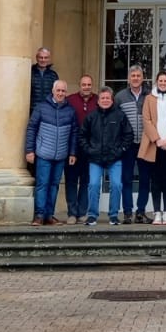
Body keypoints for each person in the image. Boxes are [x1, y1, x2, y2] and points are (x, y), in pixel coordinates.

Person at [24, 79, 77, 226]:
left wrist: (72, 153)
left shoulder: (70, 111)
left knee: (54, 185)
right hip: (43, 154)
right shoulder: (41, 107)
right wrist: (29, 150)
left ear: (66, 93)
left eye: (63, 91)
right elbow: (31, 128)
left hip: (61, 155)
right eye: (58, 90)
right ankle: (39, 215)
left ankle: (49, 215)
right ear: (53, 91)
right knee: (42, 184)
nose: (60, 93)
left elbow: (74, 133)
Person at [80, 87, 132, 226]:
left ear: (112, 99)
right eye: (102, 98)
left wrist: (120, 150)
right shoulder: (91, 117)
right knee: (93, 185)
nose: (105, 100)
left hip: (115, 158)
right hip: (95, 158)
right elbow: (82, 136)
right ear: (98, 100)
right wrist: (89, 150)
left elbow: (128, 135)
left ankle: (113, 215)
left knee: (116, 185)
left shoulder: (120, 115)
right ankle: (92, 215)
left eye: (107, 98)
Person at [138, 70, 166, 225]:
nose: (163, 83)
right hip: (154, 146)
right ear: (156, 82)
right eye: (161, 81)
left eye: (165, 81)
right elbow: (146, 120)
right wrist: (157, 139)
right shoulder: (149, 99)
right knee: (155, 180)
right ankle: (157, 212)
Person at [114, 65, 151, 223]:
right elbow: (115, 120)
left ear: (142, 78)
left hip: (145, 143)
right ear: (129, 79)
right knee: (126, 178)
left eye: (138, 75)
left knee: (145, 179)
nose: (136, 78)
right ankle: (128, 212)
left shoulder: (149, 96)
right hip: (127, 144)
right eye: (133, 76)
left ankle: (141, 212)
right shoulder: (120, 96)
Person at [63, 73, 97, 223]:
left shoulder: (98, 100)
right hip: (72, 148)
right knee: (71, 181)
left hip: (90, 149)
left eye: (89, 85)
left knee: (86, 181)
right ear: (79, 86)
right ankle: (72, 213)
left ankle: (82, 212)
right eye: (84, 85)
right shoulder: (70, 100)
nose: (87, 87)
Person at [29, 47, 58, 111]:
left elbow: (57, 93)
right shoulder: (29, 72)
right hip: (33, 110)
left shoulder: (53, 75)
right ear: (36, 58)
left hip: (49, 109)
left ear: (49, 59)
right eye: (41, 57)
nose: (43, 60)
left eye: (46, 57)